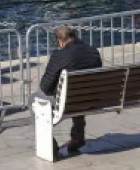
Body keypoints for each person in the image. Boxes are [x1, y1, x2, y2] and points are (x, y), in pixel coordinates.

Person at [39, 26, 103, 158]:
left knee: (36, 100)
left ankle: (50, 144)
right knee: (80, 93)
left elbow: (45, 86)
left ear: (60, 41)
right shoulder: (93, 52)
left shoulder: (59, 55)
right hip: (92, 99)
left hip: (69, 101)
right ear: (75, 36)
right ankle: (78, 137)